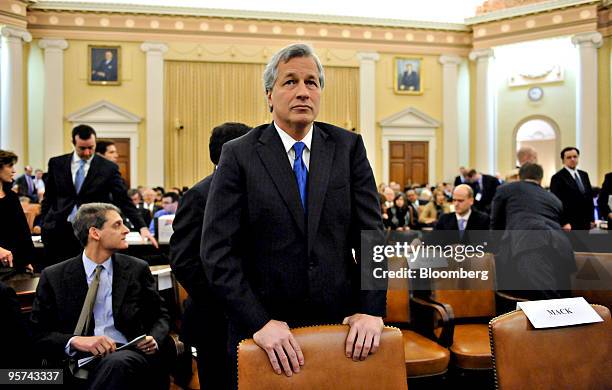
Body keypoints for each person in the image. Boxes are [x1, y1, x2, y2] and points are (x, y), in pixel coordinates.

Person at [201, 43, 386, 384]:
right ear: (269, 95)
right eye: (290, 82)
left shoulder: (348, 148)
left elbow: (372, 238)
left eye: (311, 82)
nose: (303, 91)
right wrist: (258, 322)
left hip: (340, 330)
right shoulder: (239, 155)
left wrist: (371, 311)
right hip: (265, 333)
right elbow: (217, 252)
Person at [30, 203, 170, 390]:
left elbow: (160, 315)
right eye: (117, 225)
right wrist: (76, 341)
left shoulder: (137, 269)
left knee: (116, 364)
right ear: (95, 233)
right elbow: (38, 334)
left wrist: (154, 338)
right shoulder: (55, 276)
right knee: (17, 377)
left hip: (128, 352)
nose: (127, 230)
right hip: (76, 359)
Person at [170, 122, 251, 389]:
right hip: (215, 319)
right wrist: (228, 297)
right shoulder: (198, 195)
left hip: (259, 316)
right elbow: (184, 260)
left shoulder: (258, 188)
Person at [40, 125, 156, 268]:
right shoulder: (57, 163)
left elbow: (123, 199)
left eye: (91, 147)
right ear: (73, 143)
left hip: (93, 231)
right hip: (59, 229)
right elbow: (49, 197)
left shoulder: (108, 167)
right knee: (58, 274)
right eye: (82, 148)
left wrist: (142, 227)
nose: (87, 152)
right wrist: (43, 222)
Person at [491, 163, 576, 300]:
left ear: (520, 176)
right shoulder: (553, 199)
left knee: (549, 301)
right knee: (560, 298)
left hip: (529, 244)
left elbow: (496, 224)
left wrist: (496, 249)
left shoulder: (507, 189)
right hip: (562, 248)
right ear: (541, 179)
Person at [0, 150, 35, 278]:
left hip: (17, 265)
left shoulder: (12, 197)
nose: (14, 171)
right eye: (10, 166)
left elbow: (23, 231)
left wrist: (27, 260)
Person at [550, 147, 594, 231]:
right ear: (563, 160)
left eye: (575, 156)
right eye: (569, 157)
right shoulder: (557, 178)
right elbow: (556, 202)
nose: (572, 159)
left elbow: (589, 197)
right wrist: (563, 222)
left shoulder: (584, 174)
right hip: (569, 223)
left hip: (585, 222)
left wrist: (591, 219)